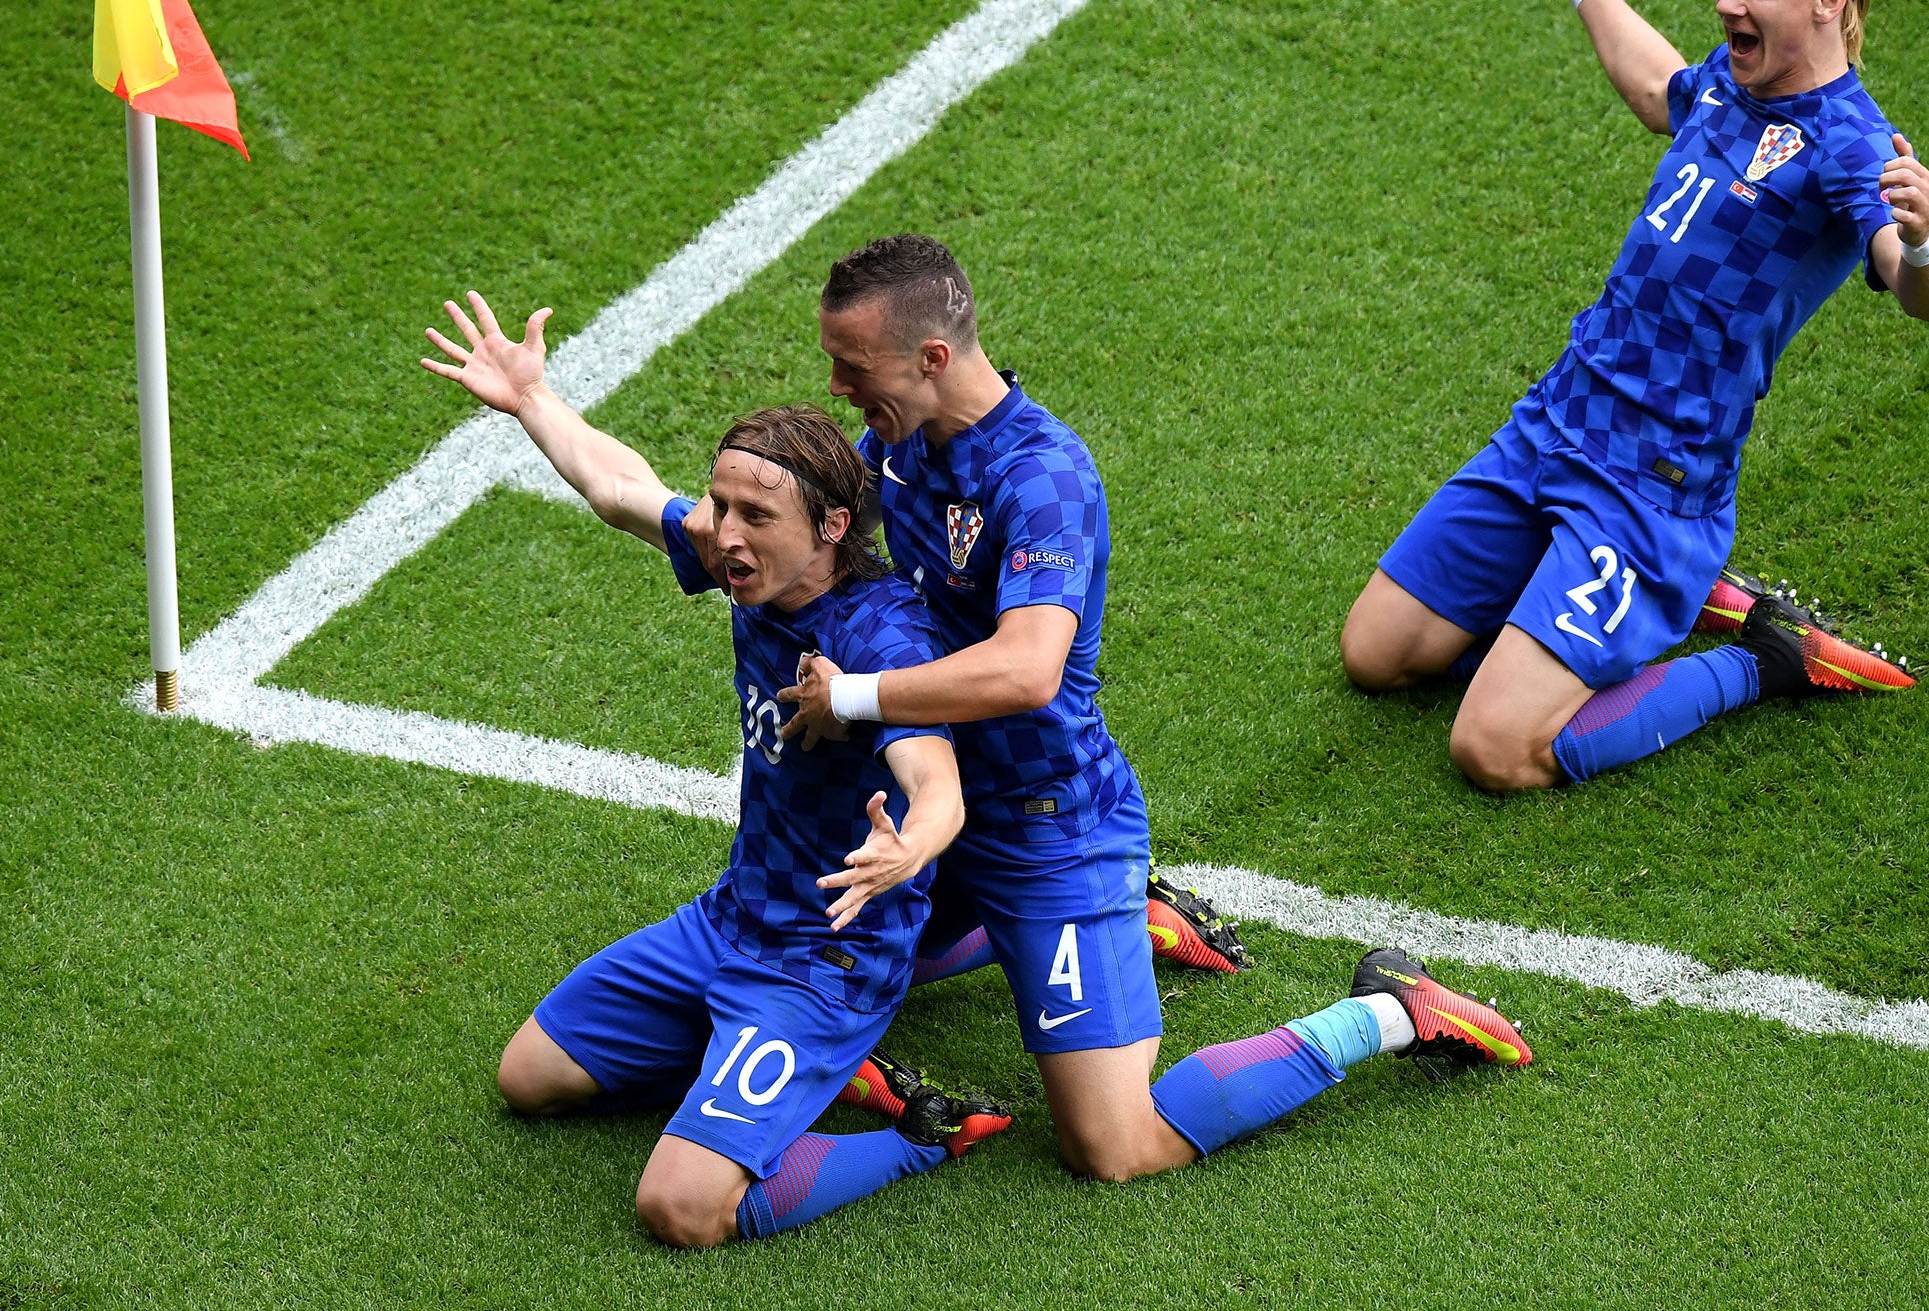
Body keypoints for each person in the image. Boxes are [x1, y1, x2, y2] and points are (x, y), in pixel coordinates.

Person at [749, 237, 1531, 1181]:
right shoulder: (898, 446)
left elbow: (1028, 669)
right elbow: (794, 523)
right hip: (933, 810)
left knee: (1113, 1147)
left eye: (852, 366)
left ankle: (1395, 1010)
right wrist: (550, 418)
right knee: (799, 958)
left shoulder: (1044, 479)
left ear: (932, 359)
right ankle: (1119, 924)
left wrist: (855, 696)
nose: (834, 386)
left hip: (1049, 828)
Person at [421, 293, 1009, 1247]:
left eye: (753, 516)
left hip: (823, 965)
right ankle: (753, 1068)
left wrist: (908, 856)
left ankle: (924, 1135)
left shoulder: (881, 638)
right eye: (720, 506)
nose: (724, 533)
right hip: (730, 920)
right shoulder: (751, 560)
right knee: (530, 1078)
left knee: (682, 1208)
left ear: (829, 526)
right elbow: (618, 487)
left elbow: (937, 787)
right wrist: (533, 400)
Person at [1341, 0, 1929, 790]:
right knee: (1375, 655)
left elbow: (1921, 294)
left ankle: (1766, 659)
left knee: (1494, 751)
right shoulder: (1733, 84)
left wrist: (1922, 235)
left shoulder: (1853, 147)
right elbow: (1660, 87)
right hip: (1558, 421)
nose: (1726, 2)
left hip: (1656, 485)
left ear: (1831, 0)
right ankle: (1602, 610)